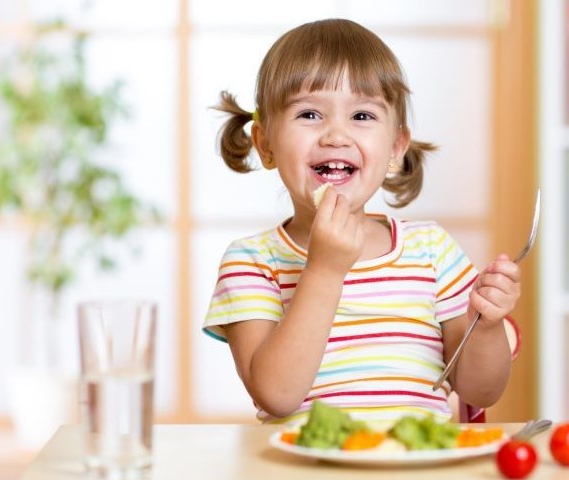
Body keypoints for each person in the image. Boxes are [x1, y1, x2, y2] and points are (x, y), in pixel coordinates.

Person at [203, 18, 521, 426]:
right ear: (265, 145)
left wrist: (489, 326)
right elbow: (276, 395)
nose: (336, 136)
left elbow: (480, 390)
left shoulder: (431, 250)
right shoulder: (251, 261)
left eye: (363, 116)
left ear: (395, 147)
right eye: (310, 114)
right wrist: (324, 269)